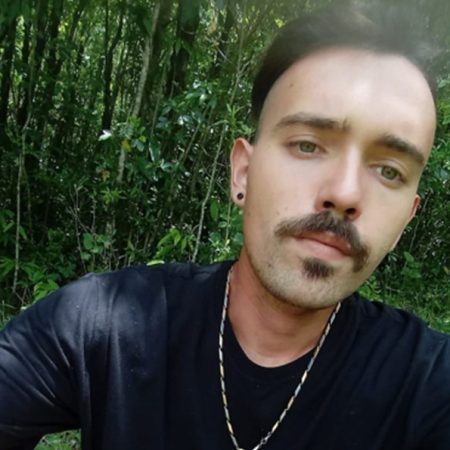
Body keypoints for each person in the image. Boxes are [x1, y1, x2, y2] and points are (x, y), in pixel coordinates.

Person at [1, 4, 449, 450]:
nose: (346, 193)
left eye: (389, 171)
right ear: (243, 174)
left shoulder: (428, 385)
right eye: (308, 145)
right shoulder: (106, 326)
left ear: (405, 219)